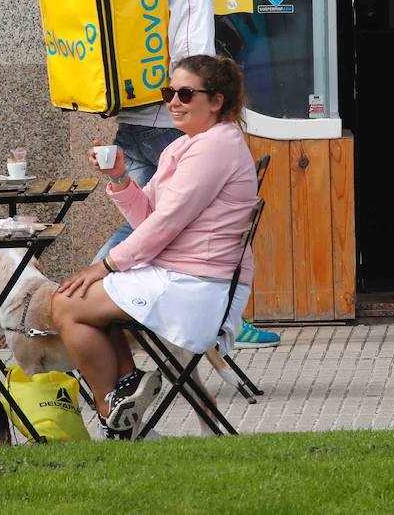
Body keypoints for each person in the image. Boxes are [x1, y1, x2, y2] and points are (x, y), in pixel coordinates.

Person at [100, 0, 279, 349]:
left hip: (137, 114)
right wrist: (209, 111)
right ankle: (87, 297)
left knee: (140, 215)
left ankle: (88, 303)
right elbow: (194, 56)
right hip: (171, 119)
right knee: (169, 217)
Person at [54, 55, 258, 438]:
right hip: (178, 275)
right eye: (168, 93)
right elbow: (148, 217)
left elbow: (165, 225)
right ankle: (126, 395)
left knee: (67, 303)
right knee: (78, 302)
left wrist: (107, 266)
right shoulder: (185, 147)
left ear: (215, 101)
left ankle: (114, 416)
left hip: (197, 287)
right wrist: (118, 179)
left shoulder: (215, 147)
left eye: (184, 93)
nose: (173, 102)